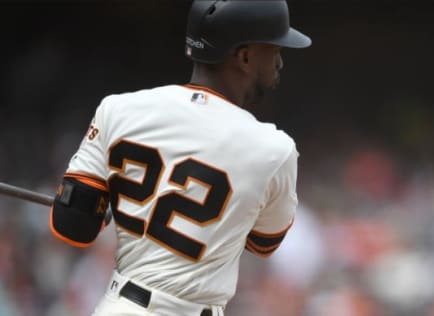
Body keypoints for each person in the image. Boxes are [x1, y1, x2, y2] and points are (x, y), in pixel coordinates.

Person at [49, 1, 311, 315]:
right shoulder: (275, 148)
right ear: (243, 56)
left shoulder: (117, 109)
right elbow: (263, 243)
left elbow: (72, 226)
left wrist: (103, 206)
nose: (280, 62)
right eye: (275, 50)